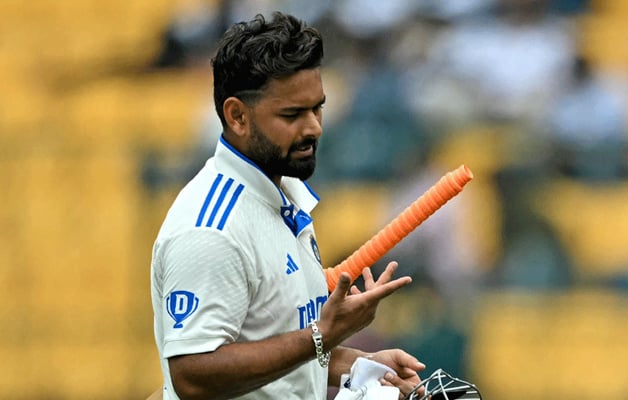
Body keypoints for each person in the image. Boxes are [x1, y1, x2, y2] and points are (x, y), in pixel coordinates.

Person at [149, 12, 426, 400]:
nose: (314, 127)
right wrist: (323, 336)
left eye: (317, 108)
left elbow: (274, 344)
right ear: (237, 116)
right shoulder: (211, 229)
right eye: (292, 114)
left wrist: (358, 365)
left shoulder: (285, 194)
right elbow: (192, 374)